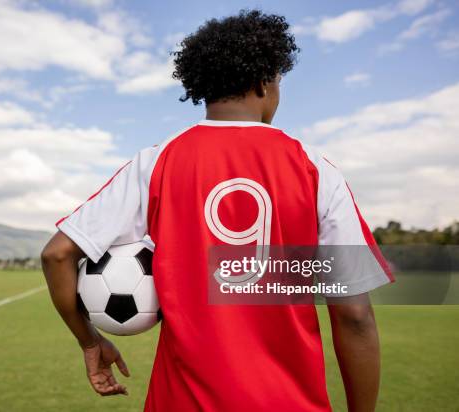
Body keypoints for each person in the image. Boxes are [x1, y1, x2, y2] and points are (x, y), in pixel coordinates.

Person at [41, 9, 393, 411]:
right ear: (265, 82)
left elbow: (57, 253)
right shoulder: (316, 171)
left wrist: (90, 340)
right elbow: (354, 316)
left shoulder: (157, 162)